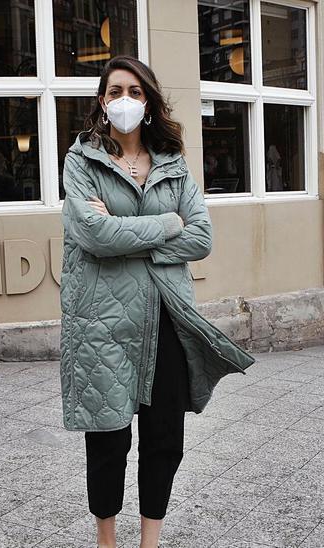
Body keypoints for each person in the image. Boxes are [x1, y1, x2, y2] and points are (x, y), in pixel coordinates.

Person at [59, 56, 255, 548]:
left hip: (168, 316)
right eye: (114, 91)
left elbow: (202, 237)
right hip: (102, 319)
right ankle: (107, 540)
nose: (124, 99)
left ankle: (151, 540)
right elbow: (92, 233)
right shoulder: (82, 161)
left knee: (164, 437)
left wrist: (126, 235)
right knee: (108, 437)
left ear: (148, 102)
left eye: (134, 91)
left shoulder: (173, 164)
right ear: (102, 103)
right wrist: (168, 224)